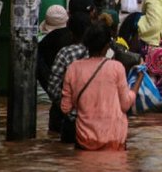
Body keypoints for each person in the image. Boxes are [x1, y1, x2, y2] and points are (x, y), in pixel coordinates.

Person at [61, 21, 143, 151]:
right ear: (107, 46)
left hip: (85, 140)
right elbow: (125, 105)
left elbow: (66, 108)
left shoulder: (73, 68)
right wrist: (139, 80)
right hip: (115, 139)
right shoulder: (116, 67)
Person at [47, 12, 92, 141]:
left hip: (68, 120)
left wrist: (67, 106)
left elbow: (53, 88)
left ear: (70, 32)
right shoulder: (102, 53)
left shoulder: (65, 53)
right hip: (95, 121)